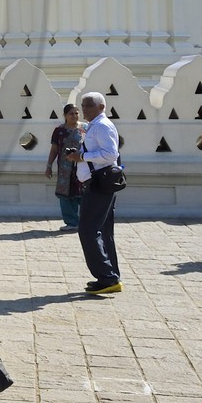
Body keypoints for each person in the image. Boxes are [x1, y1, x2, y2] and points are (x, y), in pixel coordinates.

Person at [76, 91, 124, 293]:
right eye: (83, 105)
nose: (84, 109)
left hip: (99, 184)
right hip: (97, 182)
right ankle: (110, 275)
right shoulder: (94, 126)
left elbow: (111, 154)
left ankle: (107, 277)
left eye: (89, 105)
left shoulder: (102, 126)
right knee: (103, 231)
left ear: (101, 107)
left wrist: (82, 157)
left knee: (88, 230)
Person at [44, 103, 84, 230]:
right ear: (65, 115)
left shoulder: (86, 129)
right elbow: (54, 149)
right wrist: (49, 166)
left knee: (83, 194)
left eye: (76, 113)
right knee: (65, 195)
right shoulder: (59, 131)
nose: (74, 116)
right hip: (65, 169)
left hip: (82, 166)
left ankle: (85, 221)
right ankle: (71, 222)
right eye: (71, 113)